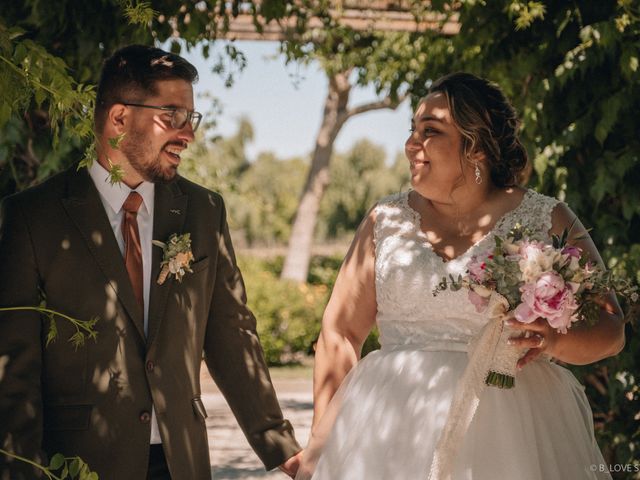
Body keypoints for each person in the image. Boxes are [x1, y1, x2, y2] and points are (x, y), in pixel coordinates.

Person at [295, 72, 625, 479]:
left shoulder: (547, 219)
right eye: (412, 131)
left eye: (430, 131)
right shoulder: (386, 220)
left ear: (477, 146)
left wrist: (554, 338)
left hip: (516, 434)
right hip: (388, 438)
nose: (411, 144)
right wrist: (323, 444)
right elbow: (340, 333)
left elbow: (611, 329)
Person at [0, 45, 302, 479]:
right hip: (78, 465)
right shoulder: (34, 217)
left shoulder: (204, 211)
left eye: (190, 118)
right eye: (172, 116)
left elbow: (231, 334)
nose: (188, 135)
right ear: (119, 119)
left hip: (181, 462)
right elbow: (14, 373)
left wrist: (281, 446)